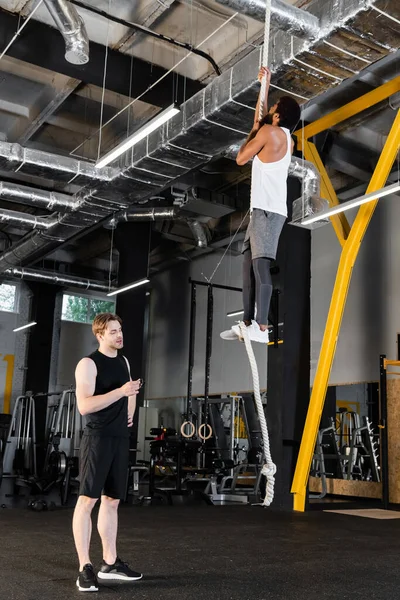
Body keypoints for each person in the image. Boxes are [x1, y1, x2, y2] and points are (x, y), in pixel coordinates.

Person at [221, 66, 301, 344]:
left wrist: (254, 130)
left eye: (274, 108)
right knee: (248, 266)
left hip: (268, 212)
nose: (270, 110)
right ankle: (247, 322)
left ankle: (262, 326)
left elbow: (241, 158)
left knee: (261, 267)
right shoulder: (285, 138)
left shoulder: (269, 133)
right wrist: (264, 86)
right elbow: (262, 117)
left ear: (278, 116)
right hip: (262, 211)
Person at [73, 312, 143, 592]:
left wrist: (130, 408)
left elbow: (130, 392)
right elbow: (85, 406)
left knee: (112, 501)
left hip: (118, 438)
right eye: (112, 331)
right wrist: (121, 392)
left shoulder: (124, 361)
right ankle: (84, 568)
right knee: (87, 502)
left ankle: (110, 563)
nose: (119, 335)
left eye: (120, 330)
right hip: (98, 438)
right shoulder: (88, 364)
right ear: (100, 335)